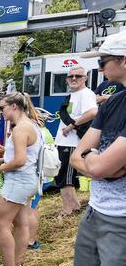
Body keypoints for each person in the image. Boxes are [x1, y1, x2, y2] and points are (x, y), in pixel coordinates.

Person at [63, 32, 126, 266]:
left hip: (122, 220)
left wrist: (96, 164)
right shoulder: (114, 102)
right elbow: (80, 154)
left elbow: (95, 161)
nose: (99, 67)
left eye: (103, 61)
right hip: (99, 209)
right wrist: (99, 166)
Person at [0, 93, 45, 266]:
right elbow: (25, 155)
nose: (1, 111)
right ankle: (17, 265)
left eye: (2, 107)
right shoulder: (31, 124)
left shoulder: (21, 129)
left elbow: (20, 161)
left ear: (14, 106)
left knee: (0, 223)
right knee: (21, 223)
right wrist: (3, 158)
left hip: (19, 181)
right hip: (28, 180)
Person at [55, 66, 98, 217]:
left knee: (66, 177)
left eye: (78, 76)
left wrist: (72, 126)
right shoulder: (73, 94)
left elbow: (93, 112)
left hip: (73, 142)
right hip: (64, 141)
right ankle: (74, 206)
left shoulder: (86, 94)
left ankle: (68, 210)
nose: (73, 78)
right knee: (62, 176)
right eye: (70, 76)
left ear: (85, 78)